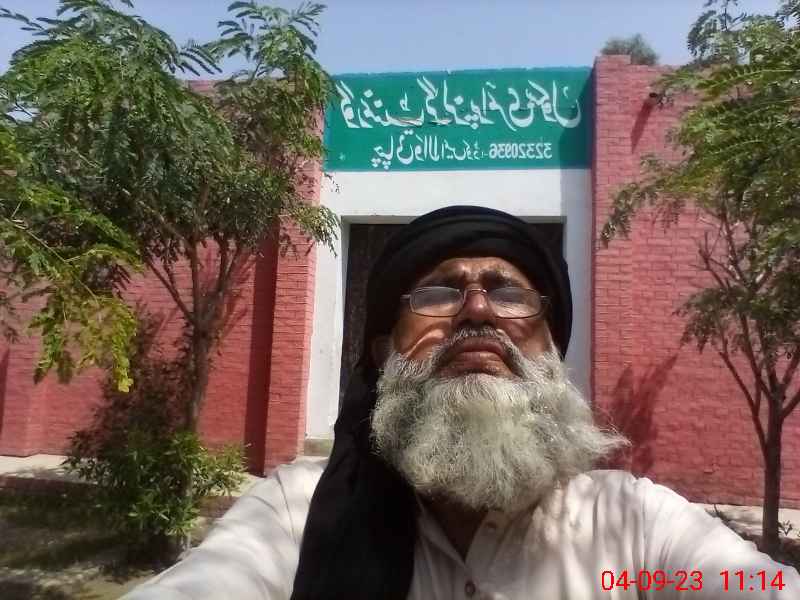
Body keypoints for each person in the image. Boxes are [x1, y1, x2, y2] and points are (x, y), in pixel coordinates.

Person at [126, 206, 798, 599]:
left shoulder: (635, 527)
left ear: (550, 350)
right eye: (439, 292)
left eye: (508, 293)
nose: (477, 310)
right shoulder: (296, 515)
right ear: (385, 352)